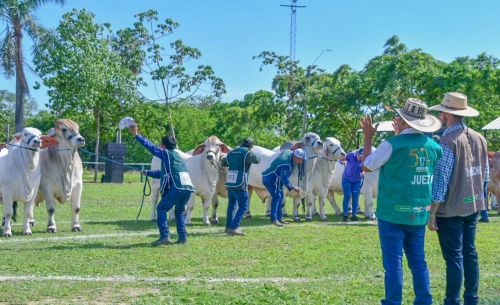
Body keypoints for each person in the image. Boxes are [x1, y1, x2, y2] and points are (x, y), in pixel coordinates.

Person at [361, 98, 443, 305]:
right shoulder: (434, 147)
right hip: (418, 214)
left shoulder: (391, 144)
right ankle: (424, 301)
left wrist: (368, 137)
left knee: (393, 263)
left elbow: (367, 166)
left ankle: (393, 301)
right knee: (418, 262)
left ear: (403, 121)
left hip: (391, 214)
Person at [428, 92, 488, 305]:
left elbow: (441, 180)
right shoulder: (480, 137)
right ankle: (471, 298)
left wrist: (432, 212)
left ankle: (452, 300)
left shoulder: (446, 140)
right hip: (473, 205)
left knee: (454, 258)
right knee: (469, 254)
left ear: (446, 114)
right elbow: (485, 175)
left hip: (450, 209)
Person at [129, 125, 195, 246]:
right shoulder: (177, 157)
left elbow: (151, 148)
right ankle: (182, 237)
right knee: (179, 211)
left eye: (161, 144)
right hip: (188, 187)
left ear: (163, 146)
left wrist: (137, 135)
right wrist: (148, 173)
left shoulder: (166, 153)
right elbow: (164, 173)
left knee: (161, 208)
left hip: (178, 186)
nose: (159, 146)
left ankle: (165, 236)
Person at [221, 137, 261, 236]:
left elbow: (223, 162)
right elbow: (257, 160)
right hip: (240, 182)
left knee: (232, 206)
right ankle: (233, 228)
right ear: (251, 147)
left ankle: (228, 227)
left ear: (241, 143)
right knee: (243, 206)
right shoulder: (246, 153)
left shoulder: (231, 153)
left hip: (230, 182)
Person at [261, 148, 305, 226]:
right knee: (277, 196)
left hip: (276, 179)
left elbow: (285, 151)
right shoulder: (285, 164)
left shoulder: (289, 152)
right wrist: (294, 187)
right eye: (301, 160)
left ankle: (280, 218)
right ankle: (273, 219)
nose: (302, 162)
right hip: (270, 179)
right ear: (296, 157)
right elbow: (285, 180)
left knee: (280, 196)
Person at [341, 148, 364, 222]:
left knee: (355, 198)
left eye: (362, 157)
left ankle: (354, 215)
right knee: (347, 196)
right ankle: (345, 215)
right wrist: (343, 161)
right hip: (347, 178)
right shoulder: (350, 155)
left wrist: (363, 172)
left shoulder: (364, 160)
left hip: (357, 180)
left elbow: (365, 169)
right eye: (359, 156)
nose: (360, 157)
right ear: (357, 153)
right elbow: (341, 159)